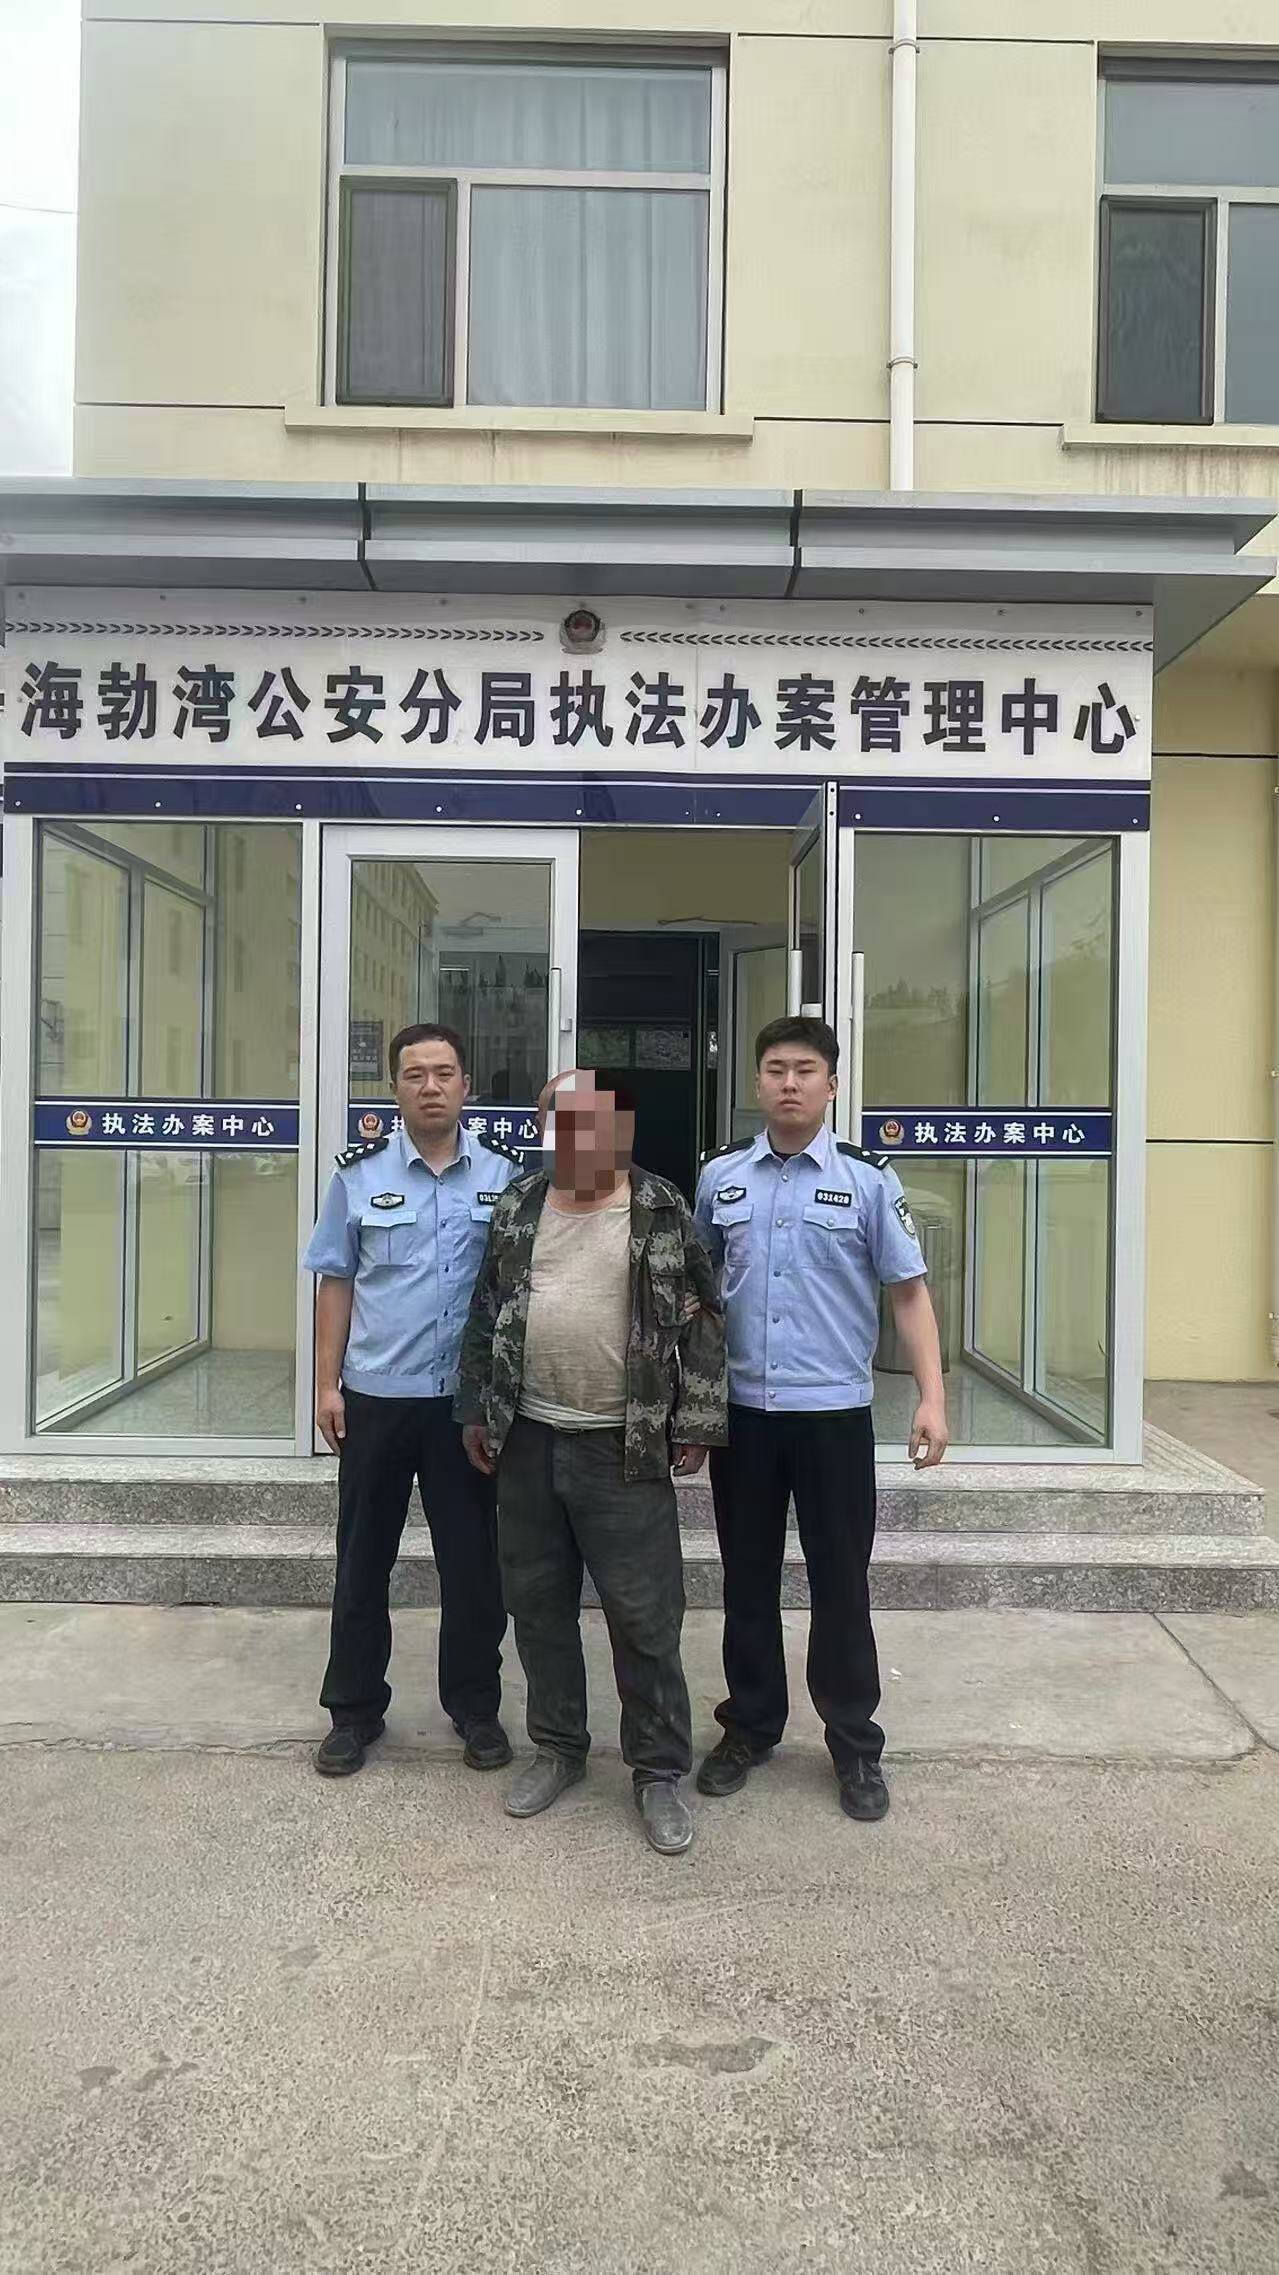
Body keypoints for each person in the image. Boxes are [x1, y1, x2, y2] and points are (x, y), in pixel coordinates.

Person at [456, 1071, 727, 1857]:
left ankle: (657, 1770)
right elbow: (485, 1310)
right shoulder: (519, 1203)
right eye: (558, 1118)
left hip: (623, 1446)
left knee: (644, 1618)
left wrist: (698, 1420)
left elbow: (704, 1317)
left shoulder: (659, 1205)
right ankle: (558, 1748)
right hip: (528, 1438)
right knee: (537, 1606)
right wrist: (474, 1409)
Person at [693, 1015, 948, 1823]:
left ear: (831, 1085)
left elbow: (908, 1292)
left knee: (840, 1583)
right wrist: (690, 1409)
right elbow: (697, 1300)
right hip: (744, 1416)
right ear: (756, 1081)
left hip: (833, 1416)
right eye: (775, 1068)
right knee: (746, 1579)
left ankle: (853, 1742)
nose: (789, 1082)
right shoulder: (719, 1177)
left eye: (805, 1069)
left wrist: (931, 1398)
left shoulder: (868, 1180)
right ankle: (750, 1724)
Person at [303, 1023, 523, 1778]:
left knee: (473, 1567)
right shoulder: (356, 1177)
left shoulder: (505, 1178)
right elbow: (336, 1282)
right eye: (415, 1074)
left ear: (467, 1086)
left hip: (464, 1408)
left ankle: (476, 1708)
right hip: (378, 1398)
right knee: (363, 1560)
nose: (431, 1086)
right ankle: (353, 1710)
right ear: (395, 1088)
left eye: (444, 1073)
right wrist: (326, 1384)